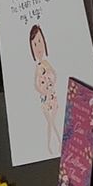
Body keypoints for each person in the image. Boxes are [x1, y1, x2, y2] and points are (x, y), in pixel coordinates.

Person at [31, 22, 64, 156]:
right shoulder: (38, 67)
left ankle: (55, 144)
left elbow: (54, 74)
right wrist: (42, 91)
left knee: (52, 122)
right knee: (50, 122)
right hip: (45, 99)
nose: (38, 47)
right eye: (34, 44)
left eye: (39, 41)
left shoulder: (45, 63)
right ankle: (54, 144)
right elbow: (35, 84)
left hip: (51, 97)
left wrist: (50, 87)